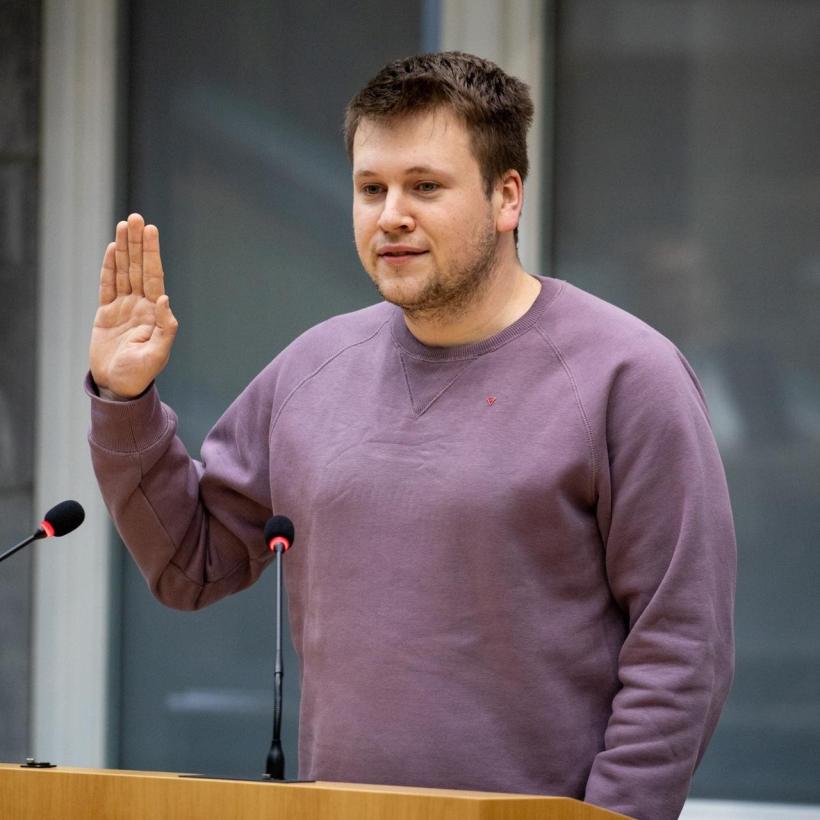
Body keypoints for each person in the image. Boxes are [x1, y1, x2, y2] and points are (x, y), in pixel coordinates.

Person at [87, 52, 736, 820]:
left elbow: (681, 650)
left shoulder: (629, 377)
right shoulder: (312, 369)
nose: (391, 213)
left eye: (425, 186)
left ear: (506, 198)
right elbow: (192, 564)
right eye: (371, 188)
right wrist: (126, 401)